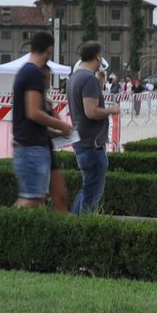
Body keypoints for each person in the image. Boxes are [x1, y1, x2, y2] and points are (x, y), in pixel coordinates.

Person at [11, 31, 72, 208]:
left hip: (38, 143)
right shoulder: (32, 72)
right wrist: (62, 125)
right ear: (50, 50)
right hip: (31, 145)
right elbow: (33, 113)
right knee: (32, 200)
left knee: (58, 195)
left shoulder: (27, 71)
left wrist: (57, 131)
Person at [68, 42, 119, 215]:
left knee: (86, 189)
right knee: (92, 196)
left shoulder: (75, 77)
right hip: (93, 144)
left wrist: (99, 83)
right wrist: (112, 110)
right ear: (98, 56)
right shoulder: (88, 79)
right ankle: (85, 232)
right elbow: (91, 111)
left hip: (82, 142)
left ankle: (72, 225)